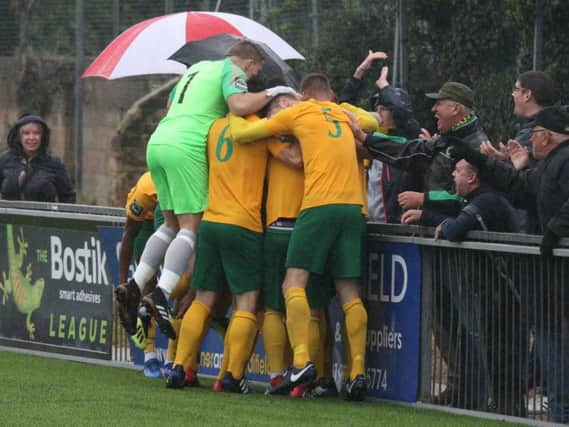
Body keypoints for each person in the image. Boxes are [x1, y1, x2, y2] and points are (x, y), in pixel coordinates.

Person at [114, 41, 297, 340]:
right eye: (255, 71)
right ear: (250, 62)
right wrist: (272, 93)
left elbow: (170, 106)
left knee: (170, 224)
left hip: (159, 142)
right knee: (190, 227)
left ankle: (135, 285)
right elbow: (239, 104)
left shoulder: (196, 69)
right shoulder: (231, 70)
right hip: (187, 147)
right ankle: (160, 295)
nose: (252, 77)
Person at [229, 73, 371, 401]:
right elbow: (373, 125)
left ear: (304, 95)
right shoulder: (341, 114)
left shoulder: (299, 113)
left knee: (291, 286)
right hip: (353, 209)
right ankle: (357, 372)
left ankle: (302, 362)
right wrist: (358, 122)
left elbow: (247, 132)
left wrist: (235, 111)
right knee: (349, 293)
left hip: (316, 207)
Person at [453, 105, 569, 422]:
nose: (530, 141)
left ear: (546, 135)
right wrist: (478, 159)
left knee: (556, 348)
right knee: (550, 346)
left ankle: (561, 414)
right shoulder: (548, 165)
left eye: (534, 135)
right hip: (548, 281)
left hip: (557, 278)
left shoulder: (563, 161)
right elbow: (520, 191)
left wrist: (555, 232)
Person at [165, 107, 272, 393]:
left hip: (211, 222)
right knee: (246, 303)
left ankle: (178, 367)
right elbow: (292, 159)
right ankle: (232, 376)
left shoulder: (214, 128)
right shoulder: (260, 128)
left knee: (203, 299)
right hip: (244, 224)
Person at [0, 114, 75, 203]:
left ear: (42, 136)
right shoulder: (4, 160)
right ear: (19, 137)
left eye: (36, 133)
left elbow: (68, 197)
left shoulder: (55, 163)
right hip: (9, 216)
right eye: (26, 133)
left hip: (44, 216)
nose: (31, 138)